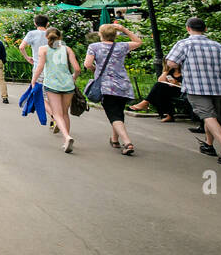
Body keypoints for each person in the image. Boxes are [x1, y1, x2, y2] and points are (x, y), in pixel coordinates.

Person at [166, 18, 221, 166]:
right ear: (205, 29)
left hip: (196, 86)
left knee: (208, 116)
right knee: (211, 115)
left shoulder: (184, 44)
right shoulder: (218, 46)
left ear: (188, 28)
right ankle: (208, 145)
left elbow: (171, 63)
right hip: (216, 86)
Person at [84, 23, 141, 156]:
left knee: (113, 114)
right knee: (118, 112)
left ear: (100, 34)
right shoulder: (122, 46)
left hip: (106, 86)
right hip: (123, 85)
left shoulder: (94, 47)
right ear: (115, 35)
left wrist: (95, 70)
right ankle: (114, 139)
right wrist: (124, 29)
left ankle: (127, 142)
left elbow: (87, 64)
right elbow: (138, 42)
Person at [31, 27, 81, 152]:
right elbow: (77, 69)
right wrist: (73, 78)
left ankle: (67, 137)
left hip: (52, 84)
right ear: (60, 37)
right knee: (65, 113)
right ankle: (65, 140)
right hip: (68, 84)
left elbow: (40, 67)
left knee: (57, 113)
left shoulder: (43, 49)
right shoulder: (67, 49)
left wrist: (34, 80)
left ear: (47, 37)